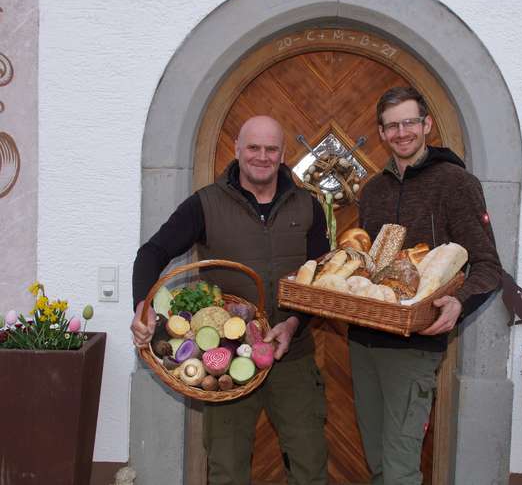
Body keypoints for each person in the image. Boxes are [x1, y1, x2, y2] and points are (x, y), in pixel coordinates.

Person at [130, 115, 329, 485]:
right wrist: (143, 309)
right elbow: (152, 253)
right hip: (225, 359)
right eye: (253, 147)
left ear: (283, 154)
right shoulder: (204, 204)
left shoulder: (308, 206)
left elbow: (322, 281)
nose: (262, 156)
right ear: (237, 149)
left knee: (310, 464)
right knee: (226, 469)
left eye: (271, 149)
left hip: (293, 355)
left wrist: (293, 323)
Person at [349, 87, 502, 484]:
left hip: (413, 345)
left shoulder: (456, 183)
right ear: (381, 132)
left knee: (400, 468)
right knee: (378, 460)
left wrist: (458, 304)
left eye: (409, 122)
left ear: (426, 125)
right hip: (363, 341)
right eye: (392, 126)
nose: (402, 132)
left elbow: (487, 266)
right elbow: (368, 267)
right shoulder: (373, 190)